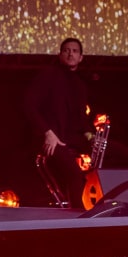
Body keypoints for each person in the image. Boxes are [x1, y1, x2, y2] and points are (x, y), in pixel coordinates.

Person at [22, 37, 94, 209]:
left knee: (119, 152)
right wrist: (47, 133)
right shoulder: (48, 75)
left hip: (71, 137)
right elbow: (28, 105)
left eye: (75, 51)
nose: (70, 54)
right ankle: (78, 216)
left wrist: (89, 135)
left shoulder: (80, 84)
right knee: (75, 175)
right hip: (50, 137)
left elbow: (80, 117)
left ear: (81, 57)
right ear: (60, 55)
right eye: (66, 51)